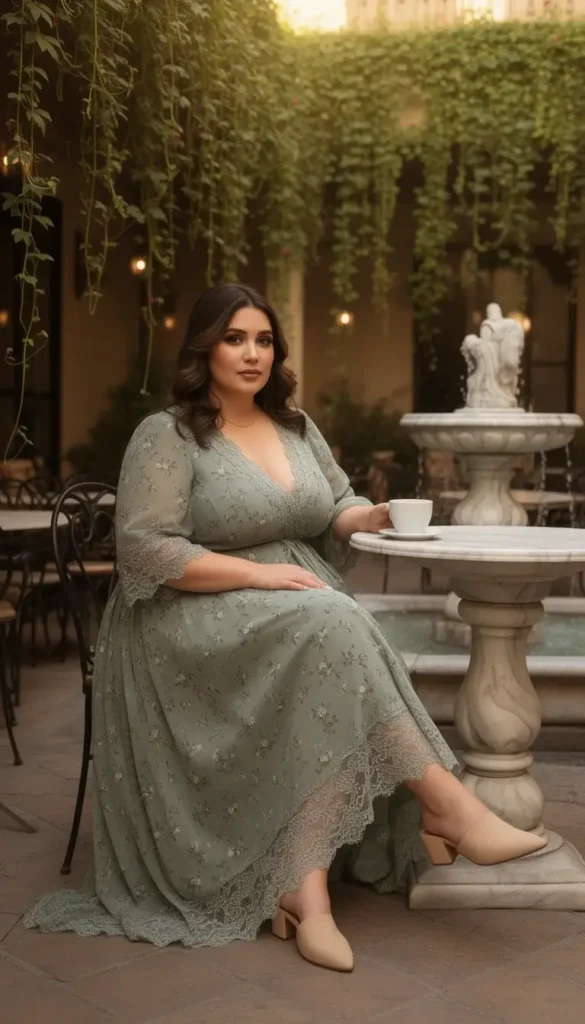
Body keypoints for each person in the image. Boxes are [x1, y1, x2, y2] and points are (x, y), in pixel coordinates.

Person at [24, 283, 546, 971]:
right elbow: (147, 550)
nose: (251, 353)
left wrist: (371, 516)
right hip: (185, 619)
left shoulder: (296, 425)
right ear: (204, 348)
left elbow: (336, 502)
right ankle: (448, 808)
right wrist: (259, 574)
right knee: (333, 620)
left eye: (263, 340)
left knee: (328, 632)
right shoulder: (170, 434)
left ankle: (306, 894)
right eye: (235, 338)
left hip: (295, 611)